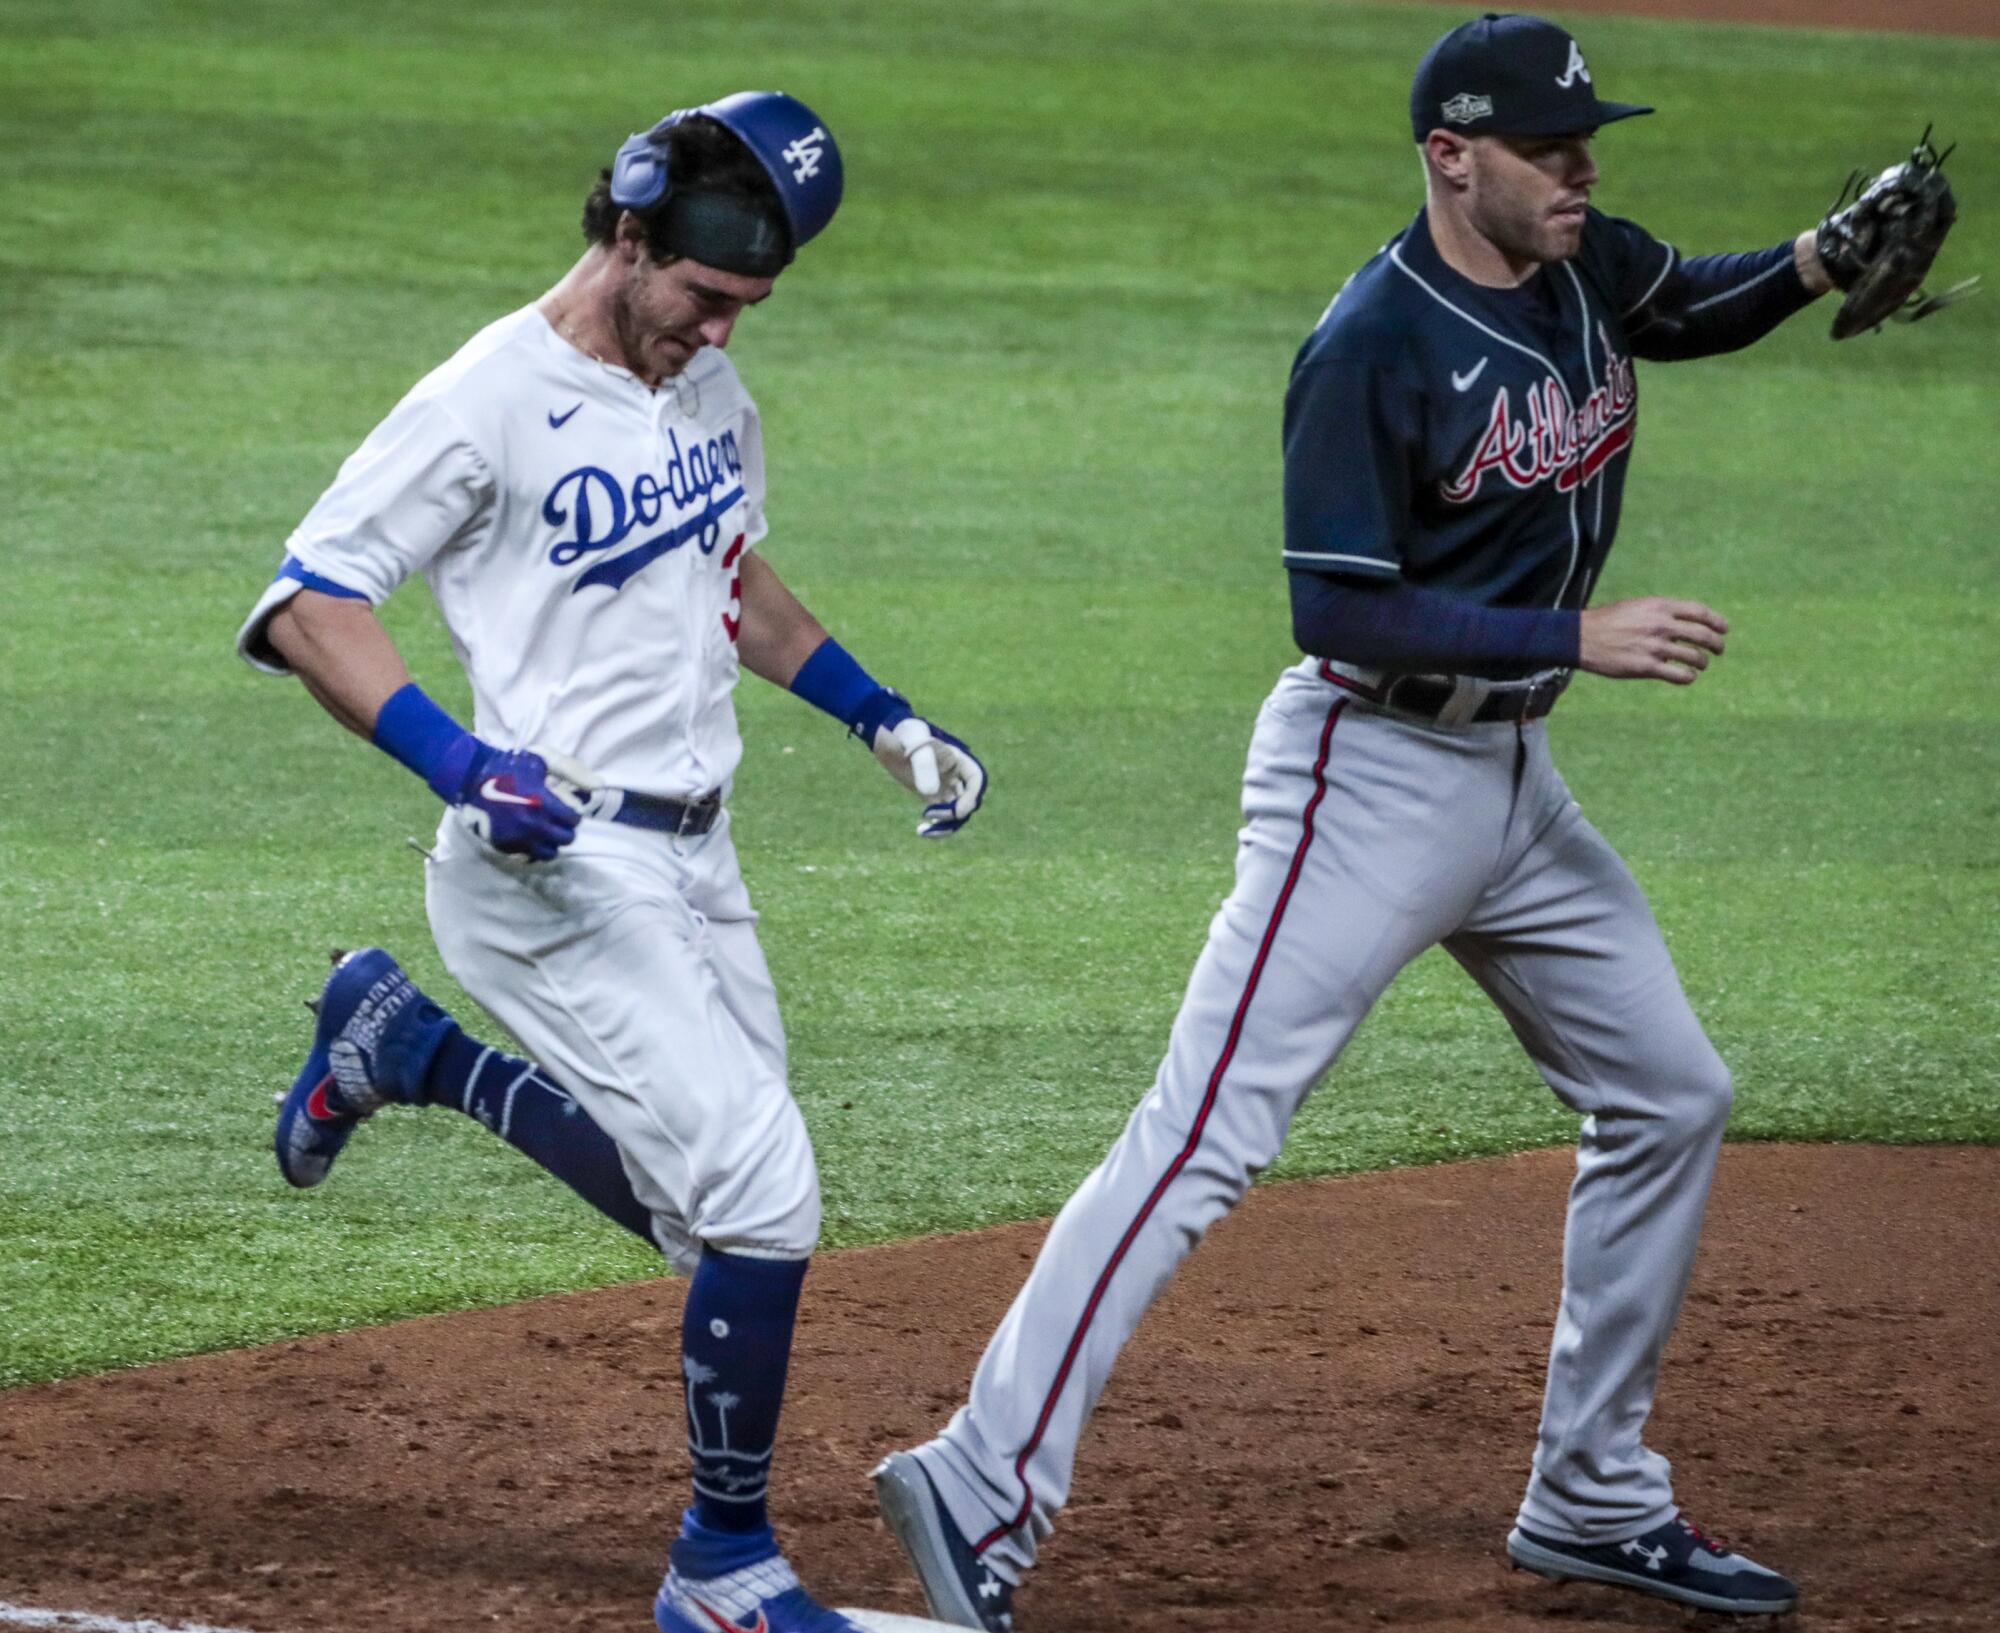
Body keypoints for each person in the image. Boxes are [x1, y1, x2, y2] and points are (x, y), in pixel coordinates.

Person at [869, 13, 1911, 1624]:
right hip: (1365, 778)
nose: (1581, 170)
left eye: (1589, 143)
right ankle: (977, 1474)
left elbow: (1685, 303)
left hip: (1515, 790)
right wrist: (1581, 632)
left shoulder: (1576, 263)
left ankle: (1591, 1492)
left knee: (1672, 1091)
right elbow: (1341, 616)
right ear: (1450, 157)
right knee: (1203, 1134)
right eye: (1550, 147)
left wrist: (1815, 259)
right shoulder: (1370, 343)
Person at [236, 93, 985, 1633]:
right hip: (549, 866)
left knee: (702, 1219)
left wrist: (882, 716)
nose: (719, 334)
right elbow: (311, 603)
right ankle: (723, 1566)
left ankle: (409, 1049)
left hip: (699, 858)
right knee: (768, 1197)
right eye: (704, 299)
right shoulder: (483, 400)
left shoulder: (703, 385)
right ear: (628, 234)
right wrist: (460, 762)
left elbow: (731, 572)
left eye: (748, 309)